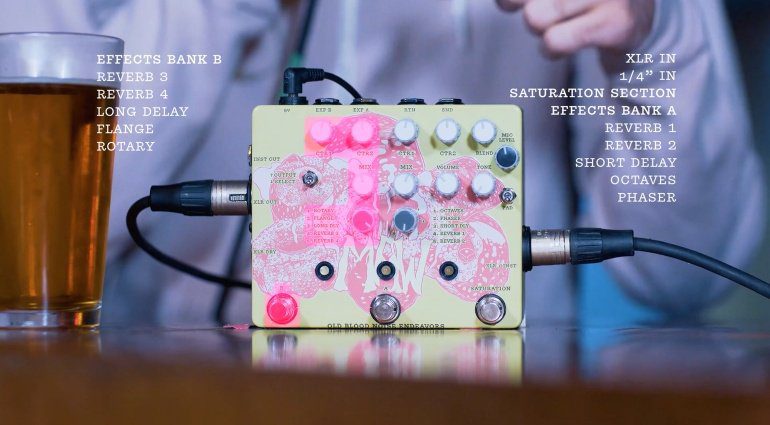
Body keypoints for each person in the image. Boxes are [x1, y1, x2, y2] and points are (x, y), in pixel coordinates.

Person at [1, 0, 764, 325]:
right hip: (205, 390)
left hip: (508, 393)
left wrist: (654, 40)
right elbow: (35, 241)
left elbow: (690, 273)